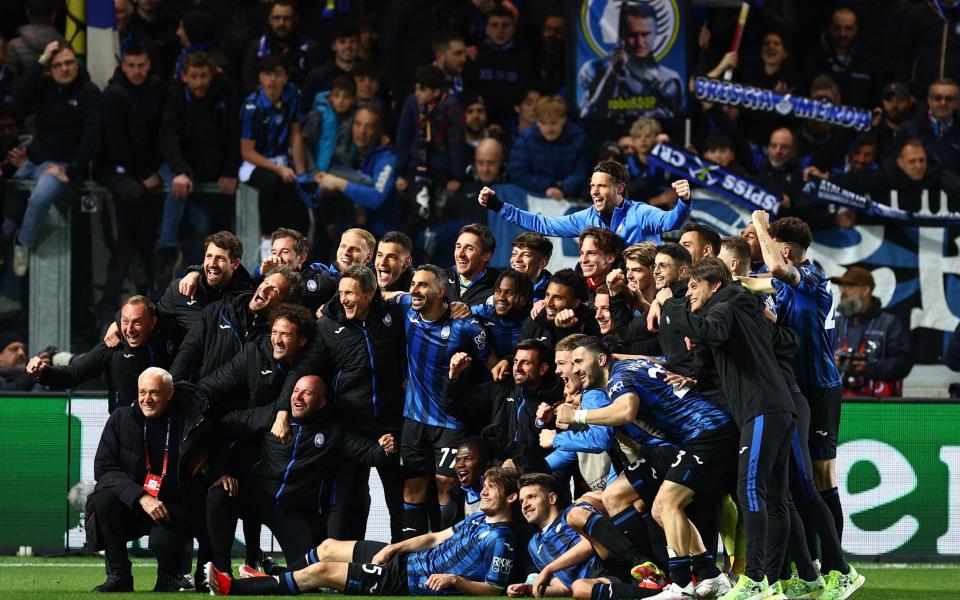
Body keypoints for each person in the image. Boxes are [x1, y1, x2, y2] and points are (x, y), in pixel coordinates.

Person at [658, 259, 799, 600]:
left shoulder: (723, 306)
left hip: (760, 409)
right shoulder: (741, 306)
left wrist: (670, 305)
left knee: (750, 491)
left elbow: (712, 330)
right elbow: (787, 341)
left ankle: (754, 581)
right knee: (775, 498)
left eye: (693, 287)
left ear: (715, 286)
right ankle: (772, 581)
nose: (688, 293)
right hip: (777, 408)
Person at [557, 338, 737, 599]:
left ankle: (681, 586)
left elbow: (626, 411)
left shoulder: (618, 379)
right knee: (660, 508)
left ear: (601, 360)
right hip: (701, 434)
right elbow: (661, 362)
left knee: (665, 505)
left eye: (578, 361)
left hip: (705, 433)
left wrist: (576, 417)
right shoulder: (632, 365)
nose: (574, 370)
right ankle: (710, 574)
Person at [204, 467, 520, 597]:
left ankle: (235, 588)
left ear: (511, 497)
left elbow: (494, 589)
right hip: (406, 562)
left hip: (408, 582)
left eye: (492, 489)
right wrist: (394, 548)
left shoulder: (502, 540)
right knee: (327, 546)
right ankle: (274, 578)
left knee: (323, 570)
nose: (485, 492)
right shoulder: (477, 519)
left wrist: (456, 581)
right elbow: (435, 537)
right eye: (486, 487)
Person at [206, 374, 397, 574]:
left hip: (292, 512)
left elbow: (368, 453)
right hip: (258, 497)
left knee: (309, 573)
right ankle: (223, 570)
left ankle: (272, 573)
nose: (298, 397)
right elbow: (226, 426)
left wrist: (384, 450)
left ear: (322, 402)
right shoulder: (275, 415)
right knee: (219, 494)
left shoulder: (334, 430)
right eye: (296, 391)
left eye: (307, 393)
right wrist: (223, 471)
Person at [275, 265, 407, 542]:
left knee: (399, 500)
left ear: (370, 294)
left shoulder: (393, 316)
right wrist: (283, 411)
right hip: (350, 426)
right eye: (341, 292)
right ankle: (345, 565)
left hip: (391, 424)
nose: (344, 299)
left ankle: (400, 564)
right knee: (347, 499)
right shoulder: (327, 326)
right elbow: (302, 369)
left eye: (350, 293)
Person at [85, 368, 213, 592]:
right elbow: (104, 469)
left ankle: (169, 576)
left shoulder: (188, 421)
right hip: (134, 503)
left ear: (170, 393)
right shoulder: (120, 419)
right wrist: (140, 496)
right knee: (103, 500)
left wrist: (212, 456)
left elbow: (222, 435)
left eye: (154, 393)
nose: (146, 399)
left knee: (162, 542)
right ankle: (119, 575)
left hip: (171, 508)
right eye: (142, 392)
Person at [395, 265, 499, 539]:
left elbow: (495, 367)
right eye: (413, 284)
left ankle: (449, 550)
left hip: (452, 423)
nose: (415, 290)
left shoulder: (465, 327)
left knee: (447, 486)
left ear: (441, 291)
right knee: (412, 489)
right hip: (415, 420)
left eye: (423, 285)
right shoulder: (407, 311)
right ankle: (411, 558)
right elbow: (386, 294)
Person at [12, 40, 101, 274]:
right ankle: (10, 234)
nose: (65, 68)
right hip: (34, 159)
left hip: (63, 165)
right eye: (58, 64)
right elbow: (18, 95)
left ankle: (23, 243)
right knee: (8, 201)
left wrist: (70, 171)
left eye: (69, 62)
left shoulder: (88, 92)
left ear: (77, 65)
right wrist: (42, 59)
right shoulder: (45, 85)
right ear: (50, 70)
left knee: (39, 198)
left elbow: (92, 138)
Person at [155, 52, 240, 284]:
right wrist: (179, 170)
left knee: (201, 224)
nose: (200, 82)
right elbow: (168, 135)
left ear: (213, 75)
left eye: (204, 76)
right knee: (179, 189)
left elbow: (233, 134)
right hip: (177, 166)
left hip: (208, 173)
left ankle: (189, 275)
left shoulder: (226, 91)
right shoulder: (174, 94)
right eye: (194, 76)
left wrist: (230, 171)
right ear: (185, 77)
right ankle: (166, 249)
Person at [97, 43, 166, 304]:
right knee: (123, 248)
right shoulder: (113, 95)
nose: (137, 71)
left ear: (148, 65)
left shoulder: (156, 88)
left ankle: (144, 260)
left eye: (141, 66)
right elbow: (116, 145)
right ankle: (135, 257)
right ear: (122, 66)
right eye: (131, 66)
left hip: (150, 171)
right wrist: (144, 174)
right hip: (119, 171)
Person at [481, 160, 691, 245]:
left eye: (602, 186)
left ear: (619, 188)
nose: (595, 192)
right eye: (592, 186)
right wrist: (499, 206)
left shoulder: (641, 213)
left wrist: (683, 201)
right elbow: (542, 224)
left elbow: (671, 222)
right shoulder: (586, 218)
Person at [27, 296, 177, 413]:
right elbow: (72, 374)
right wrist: (43, 372)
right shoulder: (112, 348)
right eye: (125, 321)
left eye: (137, 322)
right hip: (124, 431)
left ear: (152, 323)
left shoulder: (167, 338)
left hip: (163, 428)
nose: (130, 329)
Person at [446, 339, 563, 476]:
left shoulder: (555, 400)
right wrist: (454, 377)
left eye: (525, 363)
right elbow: (457, 408)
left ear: (542, 369)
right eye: (515, 362)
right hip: (497, 473)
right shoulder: (499, 388)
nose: (517, 368)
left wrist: (520, 464)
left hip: (535, 474)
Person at [170, 267, 303, 383]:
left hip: (241, 410)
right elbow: (186, 355)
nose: (264, 288)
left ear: (283, 303)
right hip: (201, 399)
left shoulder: (276, 337)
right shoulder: (218, 310)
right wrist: (171, 390)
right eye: (266, 282)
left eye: (274, 289)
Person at [240, 54, 308, 254]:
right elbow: (247, 152)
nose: (272, 80)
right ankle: (267, 243)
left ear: (286, 77)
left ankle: (299, 246)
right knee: (272, 182)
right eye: (267, 74)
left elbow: (295, 135)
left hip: (283, 161)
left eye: (277, 74)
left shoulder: (291, 95)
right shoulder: (252, 106)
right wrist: (279, 169)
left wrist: (302, 173)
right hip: (256, 164)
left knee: (297, 187)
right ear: (260, 77)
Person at [510, 473, 617, 599]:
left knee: (580, 587)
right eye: (522, 501)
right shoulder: (534, 545)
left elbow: (590, 544)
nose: (524, 505)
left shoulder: (573, 513)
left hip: (610, 571)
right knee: (579, 588)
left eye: (532, 497)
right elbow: (564, 588)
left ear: (552, 498)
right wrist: (531, 588)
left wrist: (549, 569)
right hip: (584, 588)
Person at [578, 3, 682, 123]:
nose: (640, 42)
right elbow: (588, 114)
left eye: (645, 34)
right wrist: (611, 76)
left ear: (656, 33)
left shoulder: (669, 80)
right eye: (633, 35)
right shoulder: (594, 70)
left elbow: (675, 120)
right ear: (622, 35)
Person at [313, 105, 398, 238]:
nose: (362, 131)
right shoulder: (344, 155)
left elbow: (376, 198)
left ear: (378, 130)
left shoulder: (387, 159)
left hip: (377, 237)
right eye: (358, 124)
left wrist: (339, 183)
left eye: (369, 126)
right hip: (343, 231)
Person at [157, 231, 253, 345]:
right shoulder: (179, 290)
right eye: (209, 256)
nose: (212, 263)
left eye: (220, 258)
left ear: (235, 264)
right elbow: (153, 325)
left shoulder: (246, 299)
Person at [831, 266, 913, 397]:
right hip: (840, 404)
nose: (843, 292)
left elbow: (903, 364)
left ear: (865, 290)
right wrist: (831, 363)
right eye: (842, 287)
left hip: (880, 408)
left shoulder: (889, 323)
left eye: (849, 287)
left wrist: (870, 367)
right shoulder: (835, 323)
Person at [507, 95, 589, 200]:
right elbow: (518, 174)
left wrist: (562, 188)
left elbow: (582, 171)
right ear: (537, 122)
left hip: (571, 198)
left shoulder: (578, 139)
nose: (549, 129)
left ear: (563, 120)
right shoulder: (525, 140)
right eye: (543, 123)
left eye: (553, 123)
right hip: (533, 198)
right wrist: (549, 186)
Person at [463, 7, 532, 127]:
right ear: (487, 30)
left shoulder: (523, 58)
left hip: (512, 123)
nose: (500, 30)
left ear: (513, 30)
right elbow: (468, 90)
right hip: (480, 122)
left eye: (505, 25)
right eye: (494, 25)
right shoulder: (475, 56)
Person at [241, 0, 320, 93]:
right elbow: (248, 82)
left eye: (287, 18)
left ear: (295, 20)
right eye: (277, 18)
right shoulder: (257, 47)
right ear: (269, 20)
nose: (281, 23)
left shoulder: (310, 47)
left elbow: (314, 83)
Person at [521, 269, 600, 348]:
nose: (548, 303)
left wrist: (563, 330)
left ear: (575, 303)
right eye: (547, 295)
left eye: (557, 298)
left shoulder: (590, 324)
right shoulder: (535, 320)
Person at [469, 269, 534, 358]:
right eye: (498, 291)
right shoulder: (482, 313)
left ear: (523, 298)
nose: (501, 297)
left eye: (508, 293)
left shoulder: (534, 324)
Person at [444, 223, 500, 306]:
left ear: (486, 256)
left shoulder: (499, 287)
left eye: (470, 249)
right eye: (458, 247)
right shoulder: (440, 280)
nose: (460, 254)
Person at [5, 0, 64, 76]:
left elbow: (10, 82)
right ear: (53, 14)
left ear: (28, 13)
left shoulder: (14, 46)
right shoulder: (64, 45)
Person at [578, 227, 624, 297]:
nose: (583, 260)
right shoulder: (572, 287)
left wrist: (614, 293)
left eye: (591, 253)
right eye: (581, 253)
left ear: (610, 258)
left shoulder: (625, 289)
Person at [510, 232, 553, 302]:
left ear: (542, 263)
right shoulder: (501, 285)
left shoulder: (554, 290)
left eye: (526, 255)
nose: (517, 259)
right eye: (514, 254)